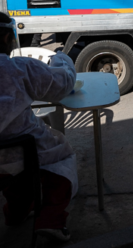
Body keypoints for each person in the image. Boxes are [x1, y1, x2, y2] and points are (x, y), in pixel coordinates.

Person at [0, 12, 77, 241]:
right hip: (25, 151)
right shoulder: (19, 68)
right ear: (7, 38)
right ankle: (52, 221)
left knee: (11, 172)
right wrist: (61, 59)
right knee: (61, 158)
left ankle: (16, 213)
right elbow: (62, 84)